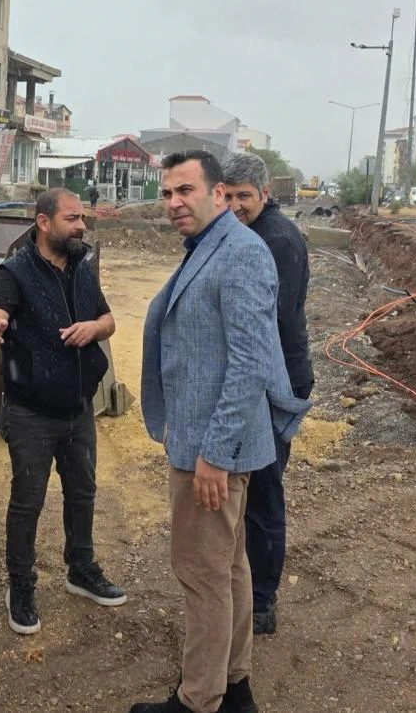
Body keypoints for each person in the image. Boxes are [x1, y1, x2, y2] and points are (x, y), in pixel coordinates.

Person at [131, 152, 310, 713]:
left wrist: (214, 454)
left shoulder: (241, 254)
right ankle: (234, 687)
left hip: (212, 449)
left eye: (185, 190)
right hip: (207, 440)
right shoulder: (212, 247)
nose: (174, 202)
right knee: (230, 567)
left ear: (219, 193)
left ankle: (197, 700)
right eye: (166, 193)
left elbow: (250, 362)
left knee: (201, 573)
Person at [0, 188, 125, 636]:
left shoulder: (83, 266)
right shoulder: (15, 272)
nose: (81, 226)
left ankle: (80, 569)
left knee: (83, 493)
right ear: (44, 223)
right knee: (28, 502)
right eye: (72, 218)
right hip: (31, 413)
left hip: (80, 408)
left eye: (81, 218)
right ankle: (20, 586)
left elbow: (109, 320)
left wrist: (92, 328)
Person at [221, 151, 314, 636]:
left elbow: (265, 325)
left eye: (244, 197)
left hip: (275, 381)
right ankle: (248, 588)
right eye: (229, 196)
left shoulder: (275, 241)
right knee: (251, 488)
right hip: (260, 376)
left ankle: (261, 601)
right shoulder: (248, 235)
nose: (235, 205)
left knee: (263, 490)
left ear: (265, 195)